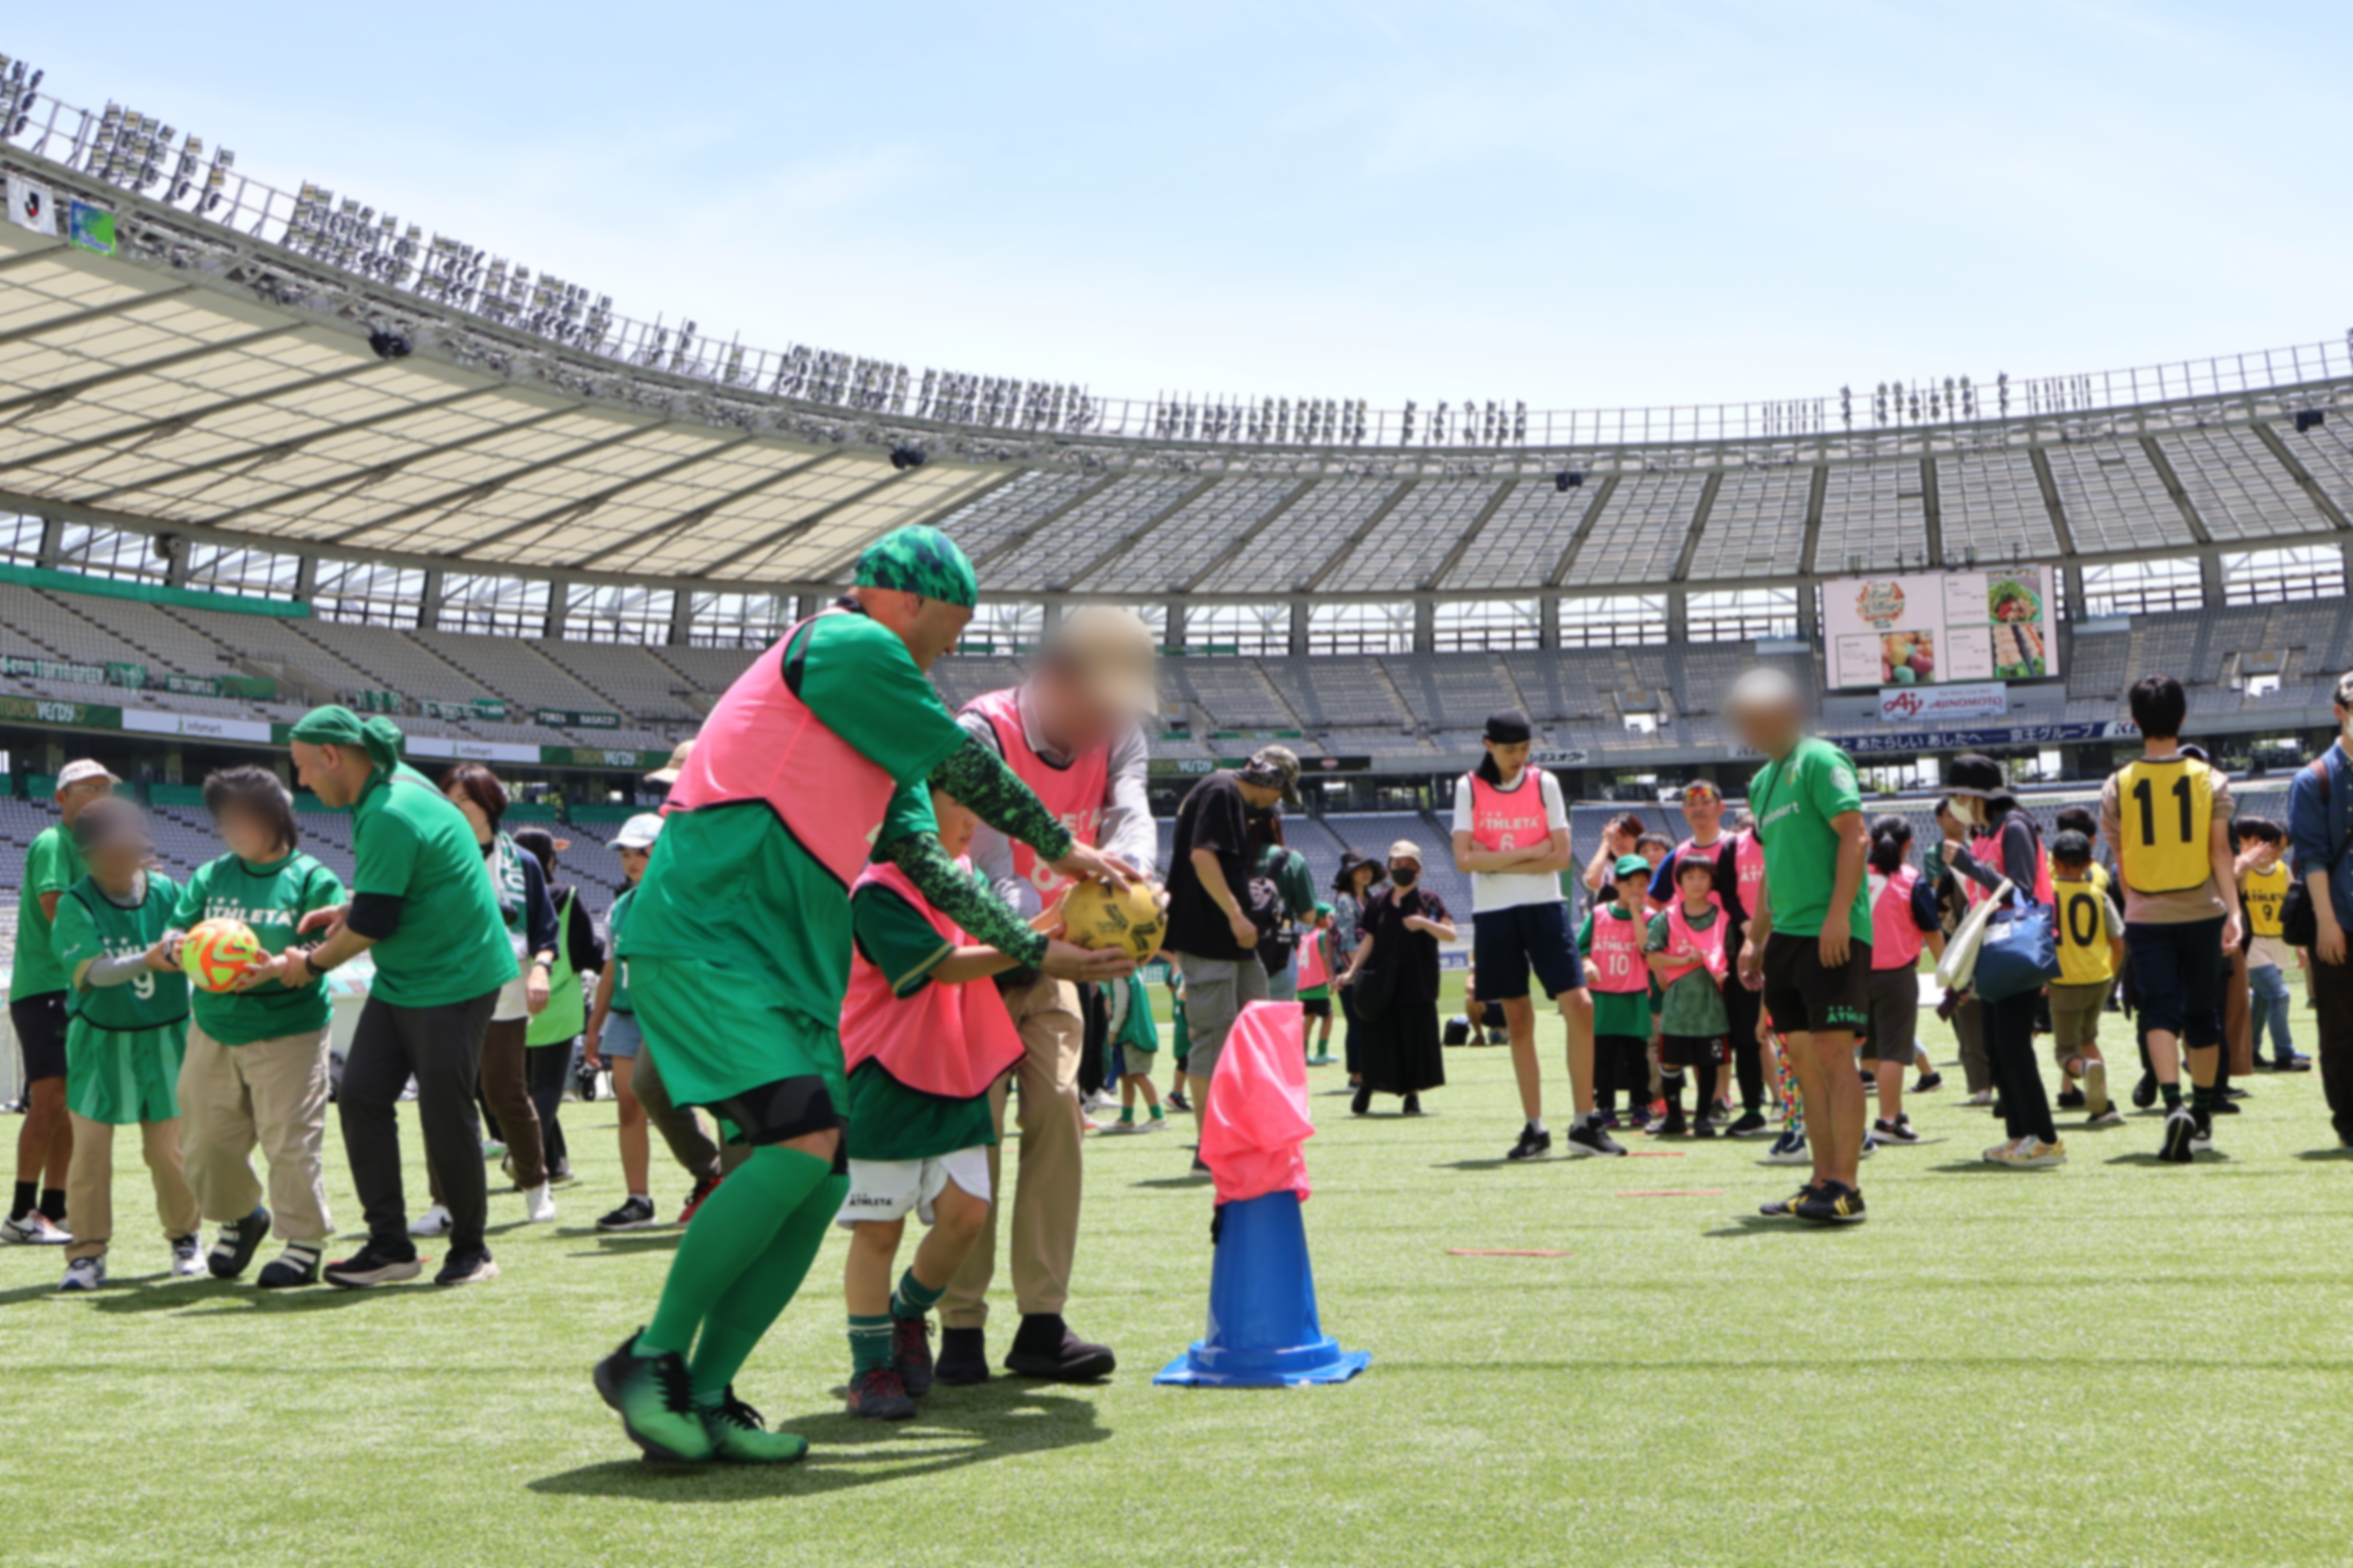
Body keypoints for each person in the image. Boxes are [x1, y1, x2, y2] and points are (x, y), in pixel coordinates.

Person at [592, 526, 1134, 1467]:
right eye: (951, 626)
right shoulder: (848, 645)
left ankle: (711, 1390)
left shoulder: (873, 733)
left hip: (780, 957)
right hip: (715, 930)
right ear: (910, 602)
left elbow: (927, 862)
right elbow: (951, 754)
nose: (949, 649)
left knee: (822, 1170)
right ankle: (650, 1359)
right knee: (798, 1140)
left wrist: (1031, 951)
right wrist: (1057, 843)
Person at [942, 604, 1160, 1386]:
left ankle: (1041, 1321)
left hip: (1058, 960)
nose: (1114, 714)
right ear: (1059, 675)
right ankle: (958, 1325)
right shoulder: (981, 733)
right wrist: (1042, 938)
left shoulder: (1117, 730)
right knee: (973, 1133)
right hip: (973, 958)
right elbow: (990, 863)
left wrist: (1135, 886)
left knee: (1059, 1118)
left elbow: (1131, 811)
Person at [248, 707, 518, 1289]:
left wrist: (309, 964)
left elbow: (377, 920)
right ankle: (390, 1246)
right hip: (407, 977)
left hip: (455, 976)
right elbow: (401, 888)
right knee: (365, 1092)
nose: (301, 783)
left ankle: (471, 1248)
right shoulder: (397, 788)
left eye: (301, 766)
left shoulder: (387, 810)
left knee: (443, 1109)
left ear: (331, 756)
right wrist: (350, 908)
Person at [836, 780, 1044, 1419]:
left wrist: (1060, 926)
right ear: (917, 812)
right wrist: (1046, 946)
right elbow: (946, 966)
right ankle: (869, 1371)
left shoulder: (957, 872)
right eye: (966, 807)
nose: (975, 823)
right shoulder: (878, 888)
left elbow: (995, 939)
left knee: (966, 1217)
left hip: (953, 1067)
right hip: (884, 1076)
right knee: (879, 1230)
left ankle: (904, 1315)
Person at [169, 766, 345, 1287]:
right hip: (215, 1024)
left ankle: (304, 1241)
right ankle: (243, 1216)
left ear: (276, 819)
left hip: (290, 1026)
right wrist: (177, 946)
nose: (233, 830)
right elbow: (178, 929)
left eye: (244, 818)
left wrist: (285, 964)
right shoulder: (211, 875)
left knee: (290, 1141)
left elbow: (331, 944)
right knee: (203, 1141)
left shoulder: (312, 877)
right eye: (226, 821)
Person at [1726, 667, 1873, 1224]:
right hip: (1785, 937)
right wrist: (1754, 938)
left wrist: (1838, 915)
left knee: (1836, 1056)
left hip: (1830, 933)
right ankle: (1819, 1180)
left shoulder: (1819, 759)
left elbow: (1854, 835)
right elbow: (1769, 867)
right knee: (1804, 1063)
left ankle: (1847, 1186)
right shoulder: (1762, 782)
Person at [1449, 709, 1615, 1160]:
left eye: (1524, 749)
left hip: (1545, 906)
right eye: (1508, 750)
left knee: (1580, 1005)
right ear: (1488, 746)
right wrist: (1529, 851)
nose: (1518, 757)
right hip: (1493, 912)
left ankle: (1583, 1124)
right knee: (1517, 1017)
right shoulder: (1468, 785)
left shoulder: (1544, 783)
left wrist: (1495, 857)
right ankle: (1534, 1128)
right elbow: (1462, 860)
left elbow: (1560, 858)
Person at [48, 797, 200, 1291]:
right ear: (86, 854)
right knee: (89, 1153)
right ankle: (87, 1253)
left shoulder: (172, 893)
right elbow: (94, 971)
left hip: (166, 1038)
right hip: (98, 1043)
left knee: (168, 1153)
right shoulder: (76, 902)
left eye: (127, 847)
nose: (117, 859)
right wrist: (148, 959)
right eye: (105, 850)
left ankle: (186, 1239)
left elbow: (198, 949)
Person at [407, 764, 559, 1232]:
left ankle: (536, 1185)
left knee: (505, 1092)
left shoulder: (523, 861)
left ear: (489, 803)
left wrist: (540, 970)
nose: (452, 809)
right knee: (441, 1094)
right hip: (446, 989)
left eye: (462, 800)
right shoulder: (434, 856)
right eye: (447, 801)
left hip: (505, 992)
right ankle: (443, 1202)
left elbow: (544, 932)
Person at [2101, 675, 2241, 1162]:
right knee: (2202, 1014)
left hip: (2145, 912)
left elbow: (2120, 857)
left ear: (2134, 721)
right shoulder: (2212, 779)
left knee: (2157, 1009)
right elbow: (2220, 851)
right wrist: (2234, 912)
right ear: (2182, 718)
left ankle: (2173, 1103)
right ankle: (2201, 1115)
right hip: (2203, 908)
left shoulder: (2116, 784)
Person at [587, 813, 729, 1231]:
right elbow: (610, 971)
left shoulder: (683, 899)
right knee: (630, 1102)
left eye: (641, 852)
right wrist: (594, 1026)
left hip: (676, 1012)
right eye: (626, 854)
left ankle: (717, 1175)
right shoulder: (621, 907)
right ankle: (639, 1200)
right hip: (630, 1014)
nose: (632, 861)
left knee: (701, 1095)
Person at [1165, 746, 1301, 1167]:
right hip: (1210, 938)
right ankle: (1210, 1149)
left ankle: (1245, 1131)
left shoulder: (1225, 794)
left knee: (1255, 1028)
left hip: (1230, 944)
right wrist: (1237, 914)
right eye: (1280, 795)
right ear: (1273, 782)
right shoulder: (1224, 791)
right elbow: (1202, 856)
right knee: (1213, 1039)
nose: (1276, 806)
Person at [6, 758, 116, 1246]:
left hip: (69, 986)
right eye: (86, 787)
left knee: (69, 1102)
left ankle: (54, 1207)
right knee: (49, 1098)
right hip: (46, 986)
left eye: (103, 787)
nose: (97, 794)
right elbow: (56, 910)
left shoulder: (93, 846)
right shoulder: (55, 842)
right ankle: (20, 1214)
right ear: (62, 798)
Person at [1944, 755, 2064, 1168]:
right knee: (1998, 1045)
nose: (1954, 803)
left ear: (1977, 795)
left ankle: (2045, 1139)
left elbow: (2022, 893)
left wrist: (1967, 865)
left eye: (1958, 794)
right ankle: (2019, 1135)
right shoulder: (1988, 831)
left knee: (2013, 1044)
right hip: (1996, 949)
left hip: (2016, 948)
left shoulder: (2014, 827)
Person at [1648, 780, 1770, 1136]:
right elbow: (1659, 905)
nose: (1698, 808)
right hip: (1695, 963)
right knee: (1698, 1036)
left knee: (1754, 1033)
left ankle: (1759, 1105)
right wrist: (1664, 959)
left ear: (1723, 808)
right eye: (1690, 802)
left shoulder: (1737, 845)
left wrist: (1753, 935)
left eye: (1707, 801)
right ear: (1683, 811)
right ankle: (1705, 1108)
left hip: (1742, 948)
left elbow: (1734, 898)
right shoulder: (1678, 854)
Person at [1338, 840, 1455, 1115]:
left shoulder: (1429, 900)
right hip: (1382, 982)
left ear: (1419, 870)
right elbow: (1369, 940)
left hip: (1418, 981)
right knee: (1377, 1038)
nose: (1403, 869)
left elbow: (1450, 934)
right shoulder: (1377, 902)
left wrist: (1424, 923)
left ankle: (1411, 1096)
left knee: (1414, 1041)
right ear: (1389, 869)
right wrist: (1353, 971)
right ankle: (1367, 1084)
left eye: (1409, 865)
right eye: (1398, 864)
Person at [514, 827, 603, 1187]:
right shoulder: (569, 894)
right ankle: (525, 1160)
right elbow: (587, 952)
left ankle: (557, 1163)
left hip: (511, 1005)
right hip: (559, 1001)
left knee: (525, 1090)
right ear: (549, 859)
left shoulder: (506, 898)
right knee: (547, 1087)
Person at [2289, 673, 2353, 1149]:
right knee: (2339, 1030)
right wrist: (2327, 922)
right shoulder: (2313, 778)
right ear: (2339, 712)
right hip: (2340, 922)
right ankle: (2349, 1124)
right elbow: (2311, 857)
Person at [1863, 814, 1942, 1147]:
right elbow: (1933, 934)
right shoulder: (1912, 879)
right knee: (1895, 1051)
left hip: (1853, 976)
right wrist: (1952, 976)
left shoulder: (1850, 876)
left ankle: (1889, 1112)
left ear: (1871, 842)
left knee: (1869, 1050)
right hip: (1895, 976)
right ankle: (1889, 1121)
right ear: (1908, 845)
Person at [1645, 855, 1731, 1136]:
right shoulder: (1667, 917)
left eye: (1703, 876)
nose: (1696, 883)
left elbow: (1731, 954)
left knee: (1707, 1063)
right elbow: (1652, 954)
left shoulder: (1723, 917)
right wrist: (1683, 960)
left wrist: (1724, 971)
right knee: (1670, 1061)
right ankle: (1674, 1117)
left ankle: (1703, 1118)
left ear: (1712, 882)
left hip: (1712, 1003)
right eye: (1690, 877)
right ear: (1679, 882)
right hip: (1678, 1004)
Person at [2047, 829, 2126, 1129]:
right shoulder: (2099, 894)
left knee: (2067, 1052)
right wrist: (2110, 979)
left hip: (2064, 982)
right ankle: (2104, 1104)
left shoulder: (2047, 895)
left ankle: (2086, 1070)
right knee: (2088, 1038)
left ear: (2054, 861)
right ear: (2090, 862)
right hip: (2098, 979)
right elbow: (2119, 944)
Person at [1579, 856, 1657, 1126]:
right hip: (1603, 998)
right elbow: (1580, 948)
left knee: (1637, 1058)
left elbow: (1648, 949)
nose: (1636, 890)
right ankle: (1606, 1108)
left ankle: (1640, 1106)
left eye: (1642, 884)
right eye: (1629, 883)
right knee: (1604, 1059)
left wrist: (1636, 914)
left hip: (1635, 996)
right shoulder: (1599, 914)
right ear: (1616, 883)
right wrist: (1587, 962)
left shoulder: (1650, 917)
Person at [2234, 818, 2307, 1072]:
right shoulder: (2242, 870)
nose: (2277, 854)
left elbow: (2291, 910)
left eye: (2282, 849)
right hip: (2252, 944)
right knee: (2279, 994)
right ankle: (2284, 1055)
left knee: (2265, 1000)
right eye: (2273, 847)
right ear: (2259, 844)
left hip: (2277, 942)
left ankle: (2252, 1049)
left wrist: (2298, 945)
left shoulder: (2283, 871)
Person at [1329, 852, 1383, 1089]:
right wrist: (1357, 970)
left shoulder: (1369, 899)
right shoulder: (1344, 900)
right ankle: (1356, 1076)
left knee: (1369, 1024)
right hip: (1353, 971)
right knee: (1357, 1023)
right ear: (1348, 874)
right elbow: (1347, 938)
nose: (1366, 872)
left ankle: (1369, 1072)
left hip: (1366, 968)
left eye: (1369, 868)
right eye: (1360, 868)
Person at [1100, 966, 1168, 1133]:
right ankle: (1127, 1117)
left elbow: (1121, 1008)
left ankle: (1158, 1117)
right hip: (1134, 1033)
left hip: (1134, 1035)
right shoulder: (1132, 972)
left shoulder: (1119, 975)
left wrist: (1113, 1033)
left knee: (1138, 1075)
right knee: (1127, 1077)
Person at [1296, 906, 1338, 1065]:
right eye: (1328, 916)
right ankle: (1322, 1053)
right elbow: (1325, 959)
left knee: (1309, 1017)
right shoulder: (1322, 935)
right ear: (1320, 919)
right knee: (1328, 1016)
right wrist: (1332, 980)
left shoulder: (1304, 936)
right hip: (1317, 984)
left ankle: (1303, 1054)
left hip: (1303, 985)